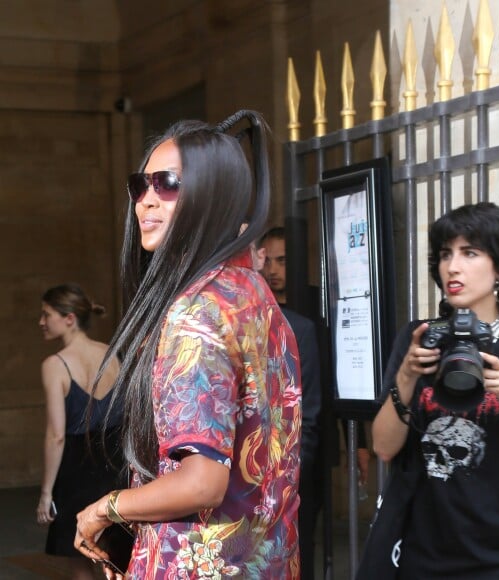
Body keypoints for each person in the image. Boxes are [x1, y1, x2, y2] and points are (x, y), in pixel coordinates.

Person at [74, 111, 302, 579]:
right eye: (142, 186)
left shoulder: (195, 312)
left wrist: (104, 509)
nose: (146, 202)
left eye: (168, 184)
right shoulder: (253, 295)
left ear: (212, 195)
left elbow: (202, 484)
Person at [371, 202, 499, 579]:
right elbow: (384, 447)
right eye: (446, 254)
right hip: (424, 556)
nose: (453, 267)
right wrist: (406, 375)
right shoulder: (420, 340)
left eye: (470, 253)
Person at [36, 283, 123, 580]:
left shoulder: (54, 365)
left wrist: (46, 494)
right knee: (117, 556)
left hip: (76, 471)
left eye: (47, 314)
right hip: (116, 465)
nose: (41, 322)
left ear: (69, 318)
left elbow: (56, 436)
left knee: (79, 560)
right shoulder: (112, 353)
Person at [258, 227, 321, 580]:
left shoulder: (305, 323)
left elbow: (310, 411)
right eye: (269, 259)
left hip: (290, 473)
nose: (272, 269)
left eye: (282, 260)